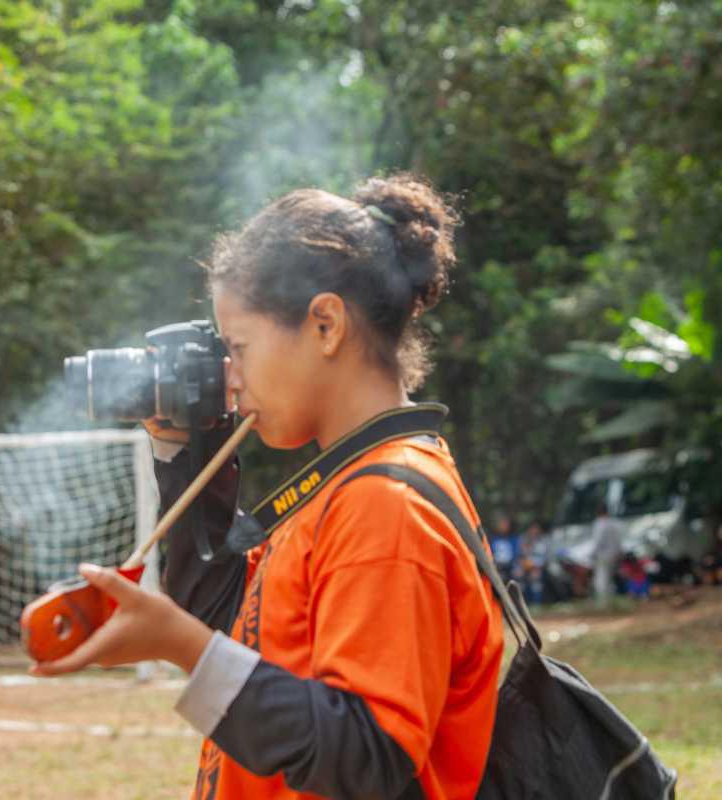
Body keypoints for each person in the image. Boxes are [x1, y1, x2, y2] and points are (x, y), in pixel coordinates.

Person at [30, 176, 504, 799]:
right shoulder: (351, 486)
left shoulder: (386, 506)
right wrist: (182, 446)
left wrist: (185, 649)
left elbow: (368, 758)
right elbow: (232, 623)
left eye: (240, 348)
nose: (231, 378)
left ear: (326, 324)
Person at [589, 501, 623, 608]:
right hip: (613, 555)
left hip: (602, 555)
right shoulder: (614, 523)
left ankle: (603, 603)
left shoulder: (599, 524)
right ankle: (610, 601)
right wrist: (619, 553)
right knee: (610, 579)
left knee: (601, 579)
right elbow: (618, 541)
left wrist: (592, 553)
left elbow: (598, 541)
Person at [515, 519, 549, 605]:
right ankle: (521, 603)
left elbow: (545, 559)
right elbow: (520, 556)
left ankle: (536, 603)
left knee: (535, 578)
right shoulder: (523, 539)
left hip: (538, 567)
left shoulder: (543, 541)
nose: (534, 531)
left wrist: (535, 565)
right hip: (525, 566)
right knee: (518, 574)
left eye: (536, 529)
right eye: (532, 529)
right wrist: (523, 564)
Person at [490, 512, 519, 583]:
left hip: (510, 568)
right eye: (502, 524)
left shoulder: (513, 539)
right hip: (496, 567)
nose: (504, 526)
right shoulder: (492, 538)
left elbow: (516, 554)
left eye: (506, 524)